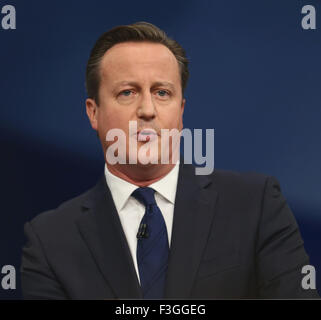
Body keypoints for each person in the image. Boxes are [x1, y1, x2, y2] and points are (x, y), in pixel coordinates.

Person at [21, 22, 319, 299]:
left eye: (162, 93)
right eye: (127, 92)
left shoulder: (256, 205)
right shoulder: (50, 241)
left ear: (181, 110)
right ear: (93, 112)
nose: (148, 110)